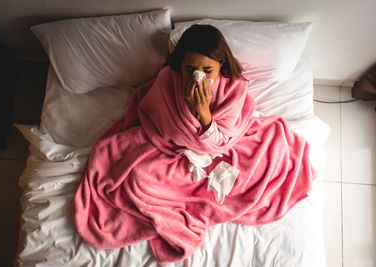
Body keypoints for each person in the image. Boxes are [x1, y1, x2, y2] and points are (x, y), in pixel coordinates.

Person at [73, 23, 316, 265]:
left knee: (255, 172)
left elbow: (223, 141)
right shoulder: (168, 79)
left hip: (219, 148)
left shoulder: (232, 88)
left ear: (221, 65)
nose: (198, 76)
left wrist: (203, 114)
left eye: (207, 70)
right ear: (180, 65)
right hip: (170, 149)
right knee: (138, 181)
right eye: (190, 69)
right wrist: (186, 114)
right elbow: (158, 121)